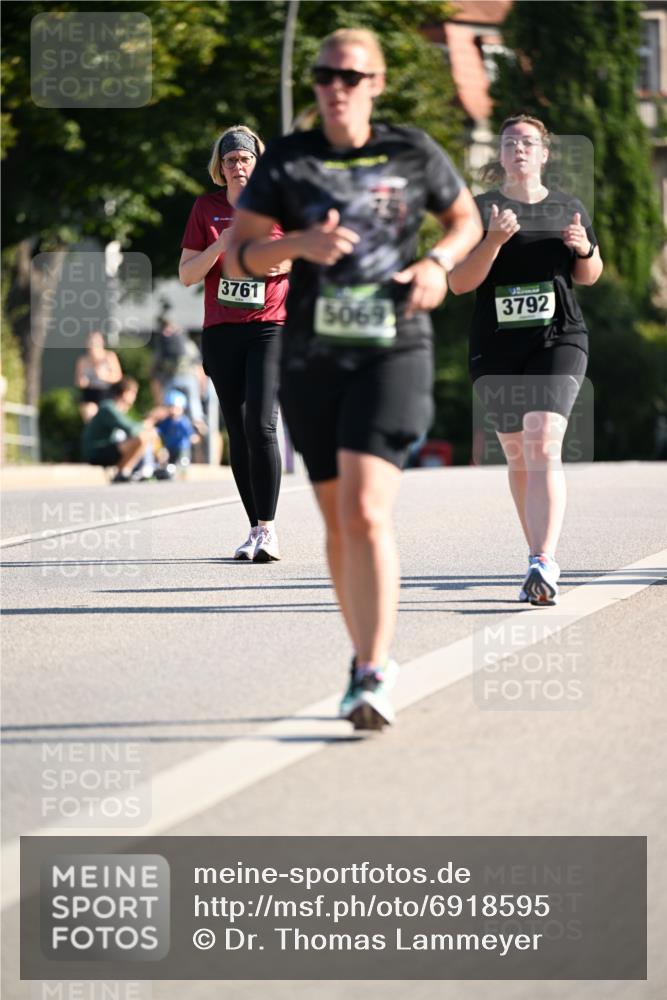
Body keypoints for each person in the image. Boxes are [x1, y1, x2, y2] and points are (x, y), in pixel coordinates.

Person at [225, 29, 482, 728]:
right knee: (339, 522)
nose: (335, 88)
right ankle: (362, 657)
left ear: (376, 83)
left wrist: (435, 264)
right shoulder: (289, 159)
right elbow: (240, 255)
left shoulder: (410, 150)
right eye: (324, 75)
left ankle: (371, 670)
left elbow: (463, 219)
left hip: (392, 347)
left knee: (367, 509)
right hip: (311, 355)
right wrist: (297, 244)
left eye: (350, 76)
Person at [448, 114, 603, 606]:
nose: (519, 148)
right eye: (510, 142)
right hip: (495, 347)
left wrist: (584, 250)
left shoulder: (567, 207)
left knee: (542, 438)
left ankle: (543, 560)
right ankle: (535, 552)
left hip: (559, 338)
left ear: (544, 154)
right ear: (499, 154)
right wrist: (493, 241)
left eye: (528, 142)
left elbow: (590, 273)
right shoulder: (480, 210)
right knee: (518, 454)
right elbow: (458, 283)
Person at [179, 125, 290, 562]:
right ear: (220, 168)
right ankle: (254, 529)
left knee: (261, 425)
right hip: (222, 331)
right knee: (239, 432)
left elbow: (301, 256)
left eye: (245, 158)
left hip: (269, 327)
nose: (238, 165)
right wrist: (219, 247)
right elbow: (187, 274)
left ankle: (269, 529)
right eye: (230, 160)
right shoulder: (205, 209)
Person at [81, 377, 158, 483]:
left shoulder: (118, 409)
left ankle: (133, 471)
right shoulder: (108, 408)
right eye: (133, 393)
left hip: (108, 448)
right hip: (97, 452)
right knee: (142, 438)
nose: (135, 397)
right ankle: (123, 473)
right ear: (125, 393)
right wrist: (146, 423)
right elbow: (131, 429)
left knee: (147, 435)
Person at [150, 321, 207, 432]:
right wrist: (201, 387)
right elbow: (198, 367)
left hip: (170, 381)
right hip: (189, 380)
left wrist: (159, 401)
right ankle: (197, 424)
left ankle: (164, 427)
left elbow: (154, 372)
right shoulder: (188, 344)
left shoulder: (162, 345)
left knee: (168, 408)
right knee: (194, 405)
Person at [74, 331, 123, 423]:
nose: (93, 344)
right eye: (91, 342)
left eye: (96, 342)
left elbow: (118, 376)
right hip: (90, 395)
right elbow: (78, 381)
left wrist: (104, 376)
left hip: (107, 394)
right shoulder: (82, 360)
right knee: (89, 414)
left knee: (107, 418)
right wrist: (82, 382)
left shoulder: (109, 357)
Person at [155, 388, 199, 465]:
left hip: (182, 447)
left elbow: (189, 433)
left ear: (182, 409)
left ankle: (183, 464)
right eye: (171, 407)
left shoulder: (184, 422)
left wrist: (193, 437)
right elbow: (159, 431)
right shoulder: (166, 421)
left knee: (183, 459)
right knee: (169, 461)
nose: (173, 411)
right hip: (169, 446)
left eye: (176, 408)